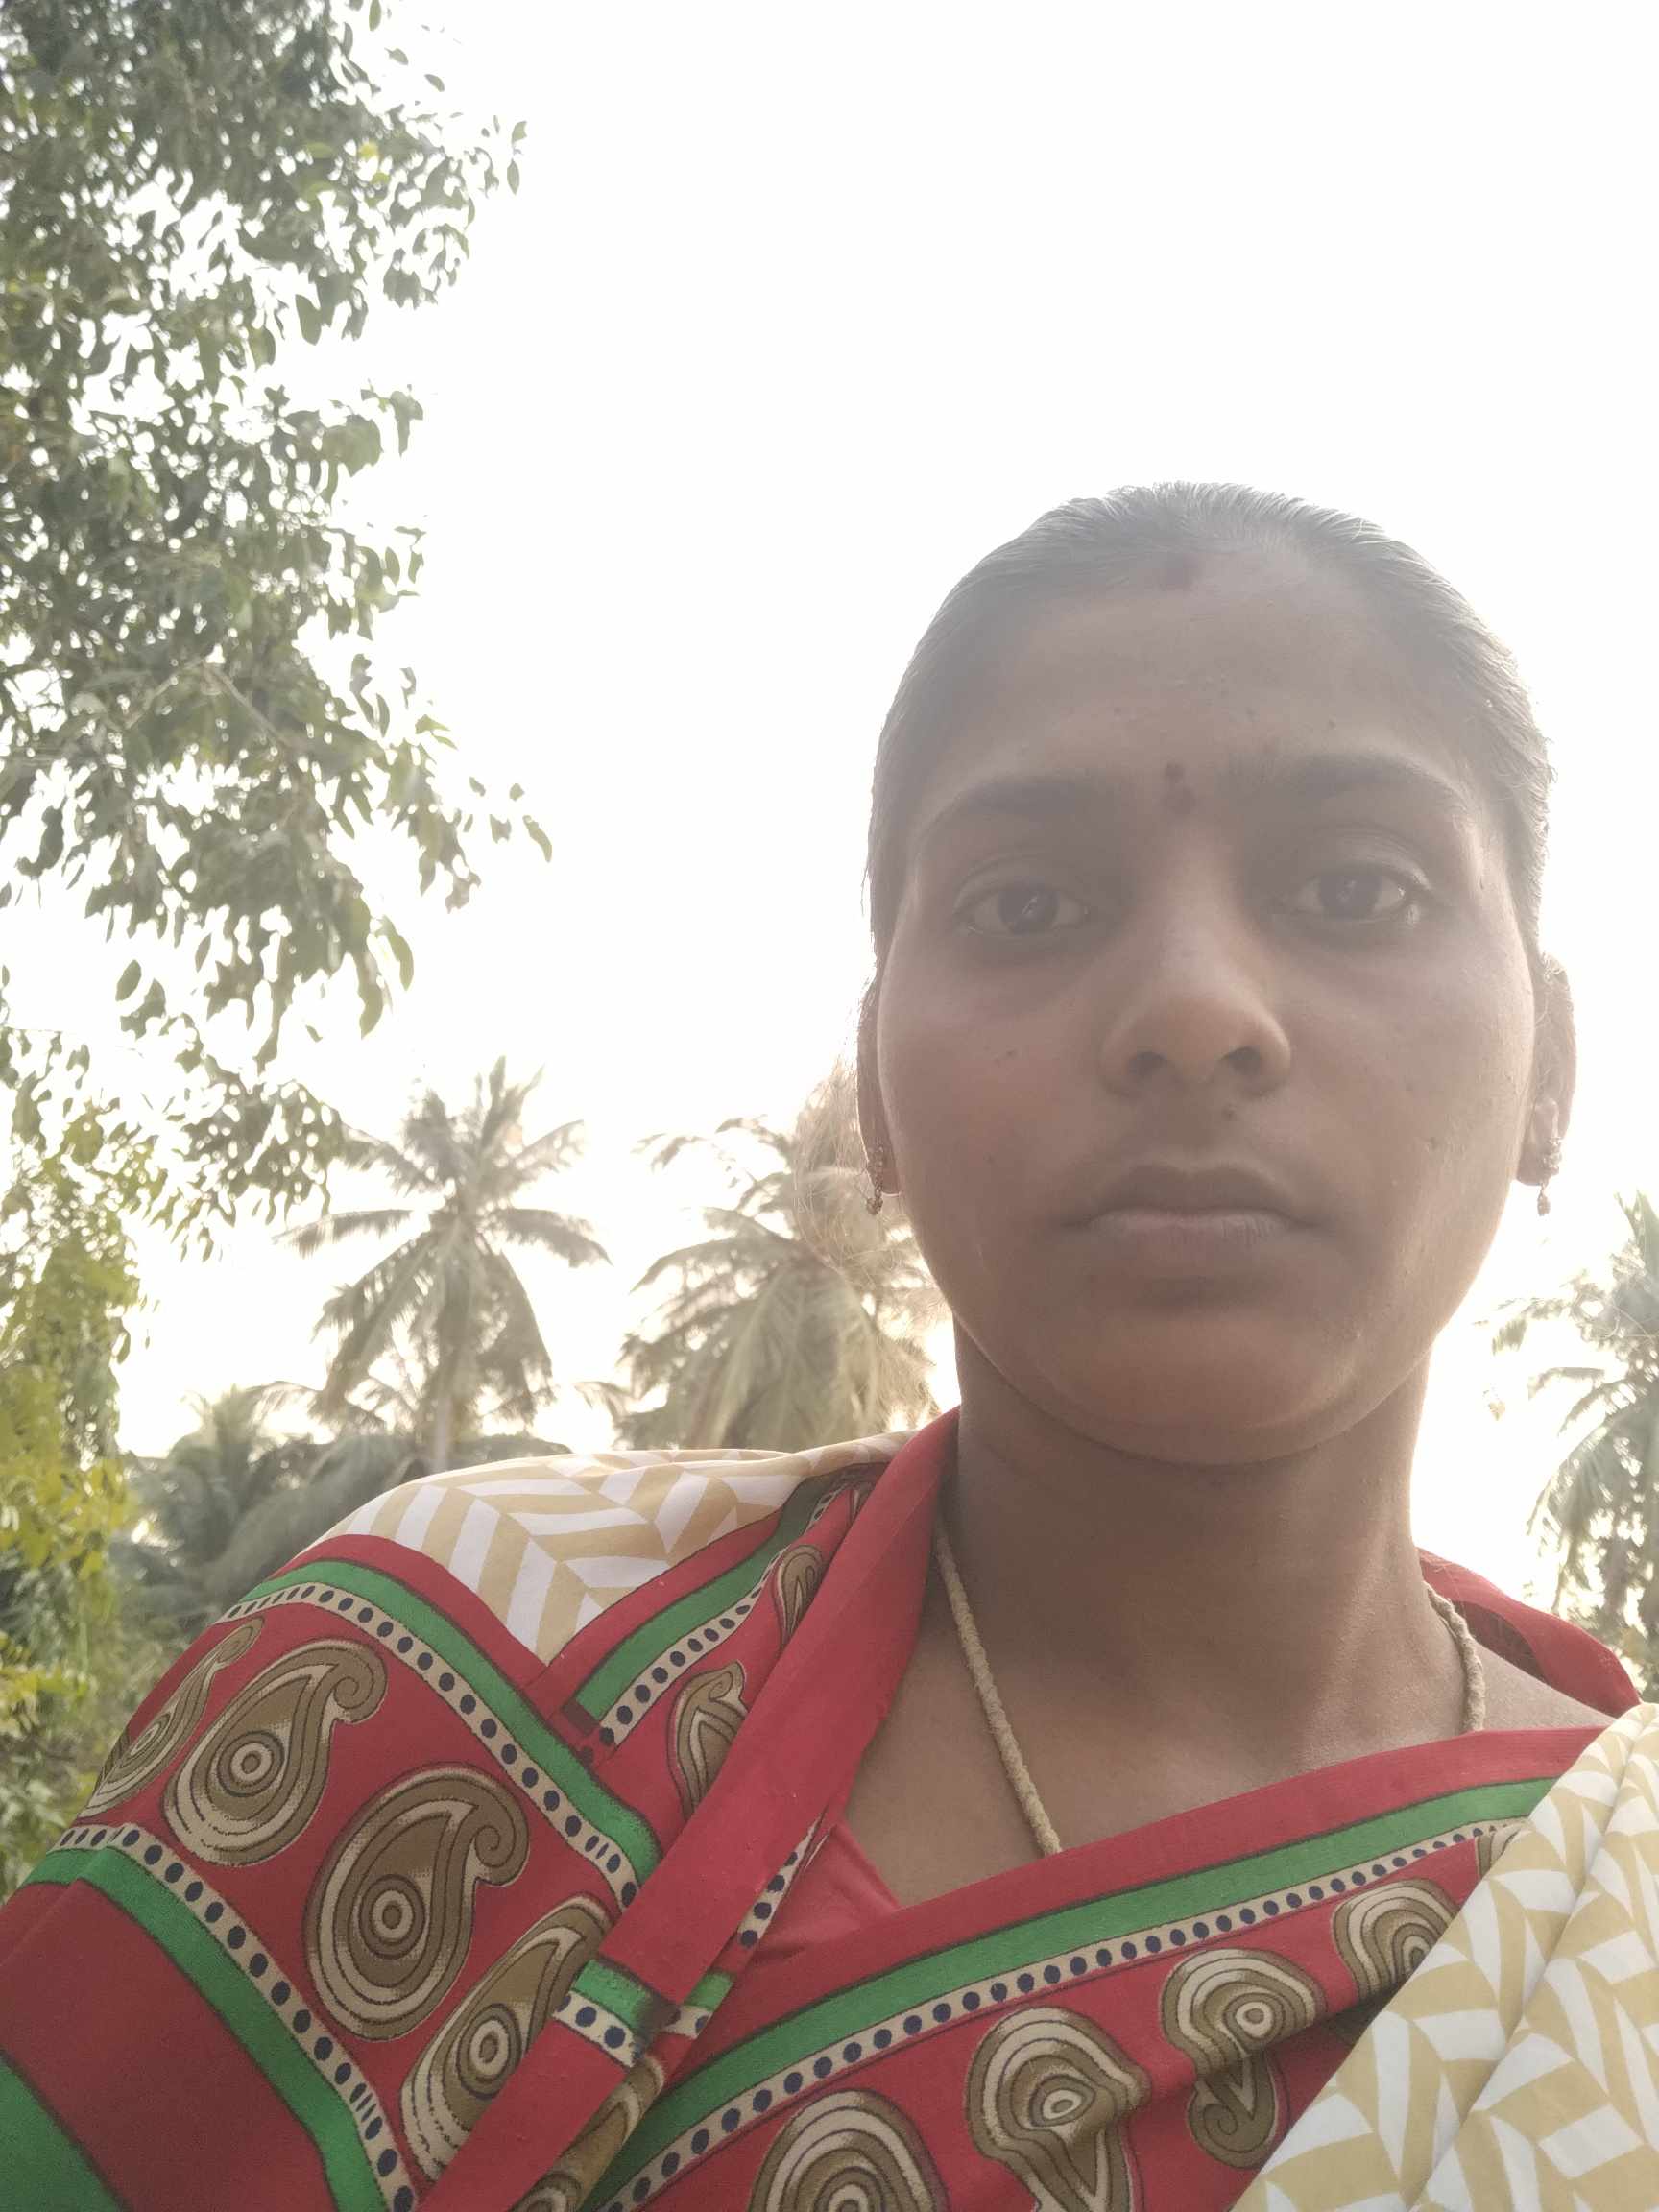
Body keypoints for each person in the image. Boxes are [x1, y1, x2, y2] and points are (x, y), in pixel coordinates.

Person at [2, 484, 1653, 2212]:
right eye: (1030, 906)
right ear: (874, 1085)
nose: (1194, 1009)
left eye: (1354, 886)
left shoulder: (1617, 1914)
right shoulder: (436, 1688)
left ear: (1551, 1064)